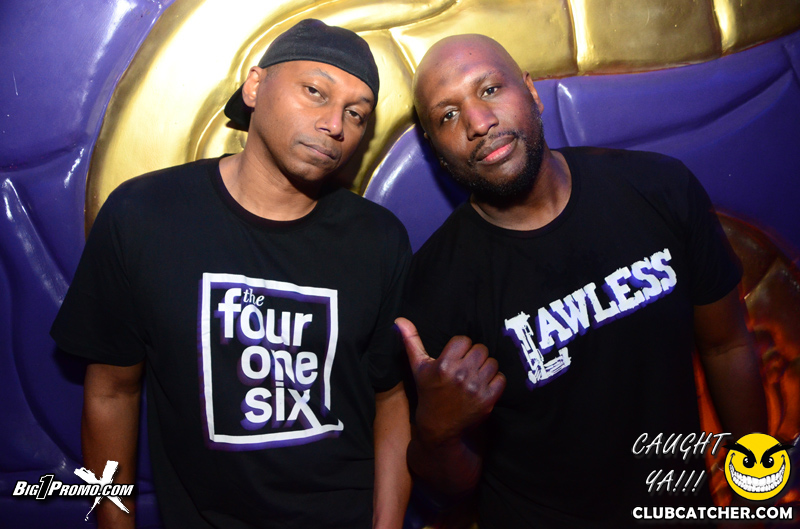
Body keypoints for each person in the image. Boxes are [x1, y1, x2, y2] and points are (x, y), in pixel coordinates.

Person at [51, 19, 412, 529]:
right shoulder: (144, 215)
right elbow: (111, 392)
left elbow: (390, 397)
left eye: (356, 113)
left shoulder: (378, 239)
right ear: (255, 85)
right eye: (315, 91)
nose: (335, 124)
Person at [396, 34, 768, 528]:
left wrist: (759, 493)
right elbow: (451, 489)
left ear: (531, 91)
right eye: (447, 115)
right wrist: (436, 431)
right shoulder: (434, 289)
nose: (479, 122)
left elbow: (727, 345)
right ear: (436, 150)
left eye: (490, 89)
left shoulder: (659, 189)